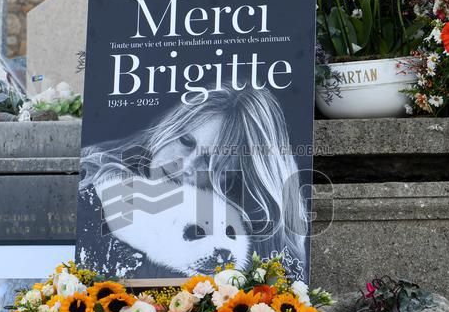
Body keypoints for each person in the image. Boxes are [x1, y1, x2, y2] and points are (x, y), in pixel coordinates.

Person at [77, 85, 309, 279]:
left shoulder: (233, 245)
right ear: (168, 127)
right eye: (186, 141)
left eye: (209, 162)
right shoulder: (91, 183)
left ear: (233, 179)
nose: (184, 166)